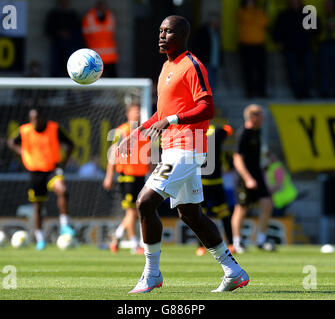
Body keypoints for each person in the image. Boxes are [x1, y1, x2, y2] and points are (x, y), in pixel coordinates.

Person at [117, 15, 249, 293]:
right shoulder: (167, 66)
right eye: (160, 30)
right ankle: (233, 270)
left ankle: (152, 274)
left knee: (144, 202)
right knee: (191, 215)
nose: (161, 36)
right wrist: (138, 131)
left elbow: (208, 107)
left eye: (168, 31)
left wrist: (173, 119)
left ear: (183, 36)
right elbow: (162, 114)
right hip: (173, 148)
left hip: (186, 149)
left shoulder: (192, 65)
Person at [8, 107, 75, 250]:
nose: (35, 122)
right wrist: (23, 152)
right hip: (35, 172)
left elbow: (70, 144)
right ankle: (40, 239)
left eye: (37, 118)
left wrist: (64, 162)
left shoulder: (54, 128)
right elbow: (11, 142)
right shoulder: (24, 130)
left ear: (43, 118)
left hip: (52, 169)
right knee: (38, 207)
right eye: (32, 119)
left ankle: (64, 225)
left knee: (63, 191)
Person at [103, 104, 150, 255]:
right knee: (132, 211)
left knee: (136, 211)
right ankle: (135, 245)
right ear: (128, 113)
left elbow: (147, 152)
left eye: (139, 110)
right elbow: (112, 154)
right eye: (134, 111)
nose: (137, 113)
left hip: (140, 175)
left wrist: (149, 164)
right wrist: (109, 176)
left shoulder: (144, 131)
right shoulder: (122, 131)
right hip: (127, 175)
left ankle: (116, 235)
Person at [232, 104, 275, 253]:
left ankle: (261, 240)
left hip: (257, 173)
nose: (263, 118)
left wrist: (268, 156)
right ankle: (237, 242)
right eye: (261, 115)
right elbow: (237, 159)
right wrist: (248, 178)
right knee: (241, 208)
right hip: (245, 176)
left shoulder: (258, 132)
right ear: (253, 117)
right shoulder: (243, 134)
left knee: (267, 204)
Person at [196, 124, 235, 256]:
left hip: (204, 182)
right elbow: (228, 129)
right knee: (223, 214)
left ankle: (201, 246)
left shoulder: (196, 133)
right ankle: (230, 244)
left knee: (201, 216)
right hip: (212, 181)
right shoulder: (217, 132)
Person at [272, 0, 318, 99]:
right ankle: (297, 93)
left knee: (309, 72)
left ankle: (307, 92)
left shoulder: (308, 13)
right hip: (290, 48)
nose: (295, 2)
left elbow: (317, 30)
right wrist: (278, 41)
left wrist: (311, 30)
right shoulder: (284, 14)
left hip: (306, 48)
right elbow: (277, 29)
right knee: (293, 72)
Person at [237, 0, 268, 98]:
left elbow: (264, 21)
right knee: (248, 70)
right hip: (246, 45)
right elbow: (246, 19)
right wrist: (252, 12)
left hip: (259, 44)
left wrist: (255, 13)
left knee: (261, 70)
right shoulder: (242, 11)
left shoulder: (259, 11)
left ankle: (261, 92)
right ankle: (249, 92)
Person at [44, 0, 82, 77]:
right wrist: (59, 33)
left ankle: (70, 87)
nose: (64, 3)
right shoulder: (53, 15)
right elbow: (48, 30)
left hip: (70, 46)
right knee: (55, 67)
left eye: (65, 2)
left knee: (71, 68)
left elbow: (79, 30)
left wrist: (69, 34)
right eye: (62, 2)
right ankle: (54, 87)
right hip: (56, 45)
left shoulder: (73, 15)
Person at [82, 1, 118, 77]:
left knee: (113, 79)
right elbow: (85, 35)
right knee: (94, 80)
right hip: (95, 56)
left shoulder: (110, 16)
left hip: (109, 56)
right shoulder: (89, 17)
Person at [190, 14, 222, 91]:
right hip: (205, 61)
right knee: (205, 83)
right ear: (212, 21)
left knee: (213, 83)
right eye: (217, 20)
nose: (218, 22)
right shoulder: (203, 31)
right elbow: (198, 46)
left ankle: (210, 100)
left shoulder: (216, 32)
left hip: (215, 62)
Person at [262, 150, 298, 217]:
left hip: (283, 198)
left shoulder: (277, 168)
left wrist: (266, 190)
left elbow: (279, 185)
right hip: (276, 200)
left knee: (276, 217)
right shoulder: (268, 169)